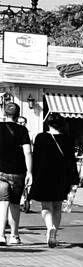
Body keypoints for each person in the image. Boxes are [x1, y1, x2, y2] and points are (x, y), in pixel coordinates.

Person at [29, 112, 78, 248]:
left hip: (44, 176)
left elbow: (36, 158)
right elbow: (71, 161)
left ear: (48, 124)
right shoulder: (68, 139)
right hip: (62, 177)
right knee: (57, 206)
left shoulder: (41, 137)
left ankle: (49, 227)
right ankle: (54, 233)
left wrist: (32, 175)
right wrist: (74, 180)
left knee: (46, 207)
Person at [0, 102, 33, 245]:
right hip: (17, 172)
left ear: (4, 113)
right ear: (18, 115)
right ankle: (14, 235)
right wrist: (30, 172)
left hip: (0, 171)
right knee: (14, 204)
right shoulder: (22, 130)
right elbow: (28, 152)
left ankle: (1, 235)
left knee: (2, 203)